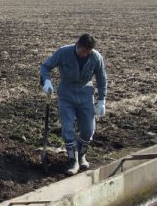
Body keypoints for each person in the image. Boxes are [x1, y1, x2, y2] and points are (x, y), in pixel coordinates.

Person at [40, 33, 108, 176]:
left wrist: (102, 100)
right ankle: (72, 160)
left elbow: (102, 78)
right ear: (77, 44)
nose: (83, 54)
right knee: (67, 127)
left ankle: (81, 155)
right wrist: (46, 81)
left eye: (87, 52)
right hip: (66, 95)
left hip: (85, 95)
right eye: (81, 50)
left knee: (88, 129)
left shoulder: (96, 57)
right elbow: (45, 67)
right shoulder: (64, 52)